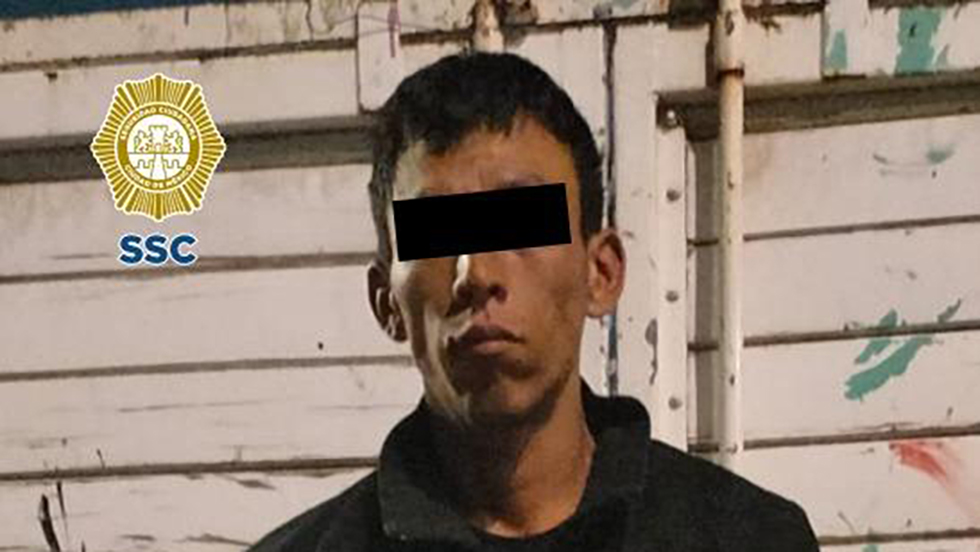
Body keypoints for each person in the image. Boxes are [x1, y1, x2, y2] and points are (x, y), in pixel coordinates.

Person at [249, 52, 819, 552]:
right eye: (437, 234)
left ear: (601, 273)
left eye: (519, 221)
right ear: (387, 303)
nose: (477, 273)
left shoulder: (751, 539)